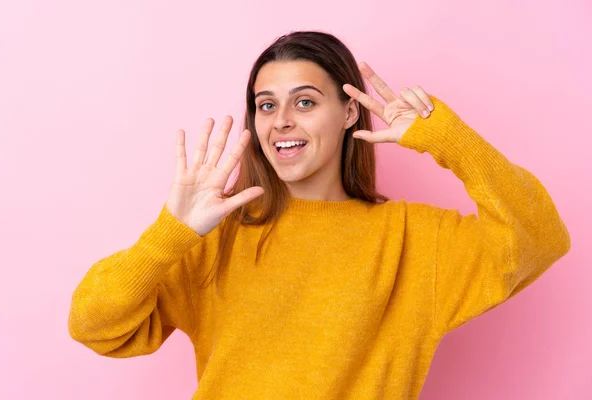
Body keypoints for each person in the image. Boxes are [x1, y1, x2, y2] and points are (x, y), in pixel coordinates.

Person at [68, 30, 571, 399]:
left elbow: (540, 237)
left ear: (350, 112)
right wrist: (170, 233)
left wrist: (448, 141)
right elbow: (94, 326)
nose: (281, 121)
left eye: (304, 101)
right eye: (266, 106)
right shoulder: (217, 236)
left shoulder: (416, 240)